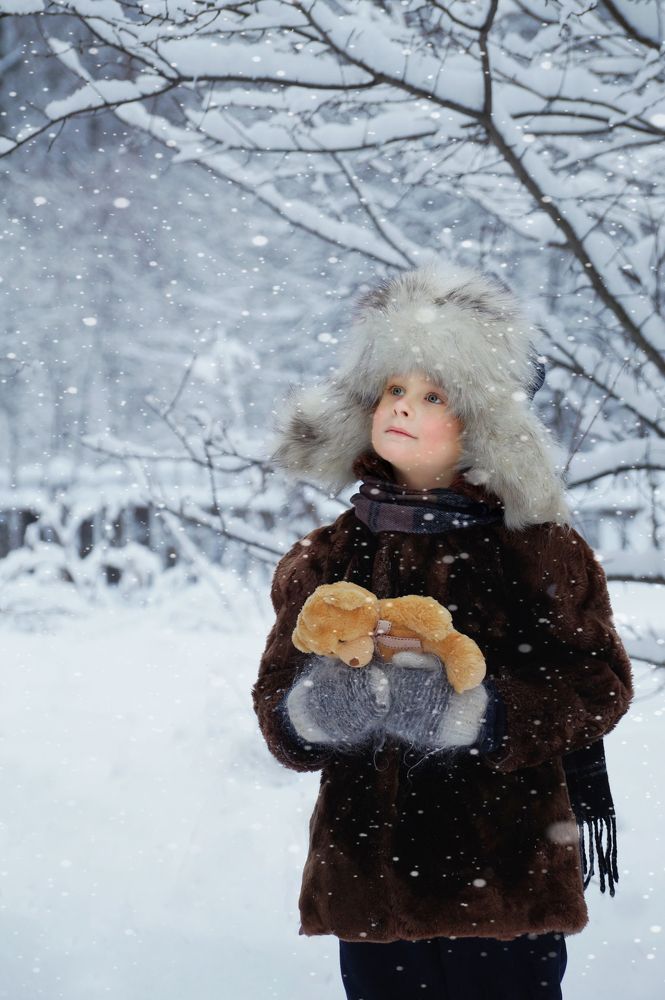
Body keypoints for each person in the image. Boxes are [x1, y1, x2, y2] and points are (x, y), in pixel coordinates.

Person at [251, 259, 634, 1000]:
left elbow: (598, 688)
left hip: (503, 883)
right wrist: (320, 708)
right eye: (393, 388)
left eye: (431, 394)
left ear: (476, 420)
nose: (403, 406)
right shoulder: (328, 554)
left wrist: (477, 712)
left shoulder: (534, 547)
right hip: (370, 887)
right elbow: (276, 706)